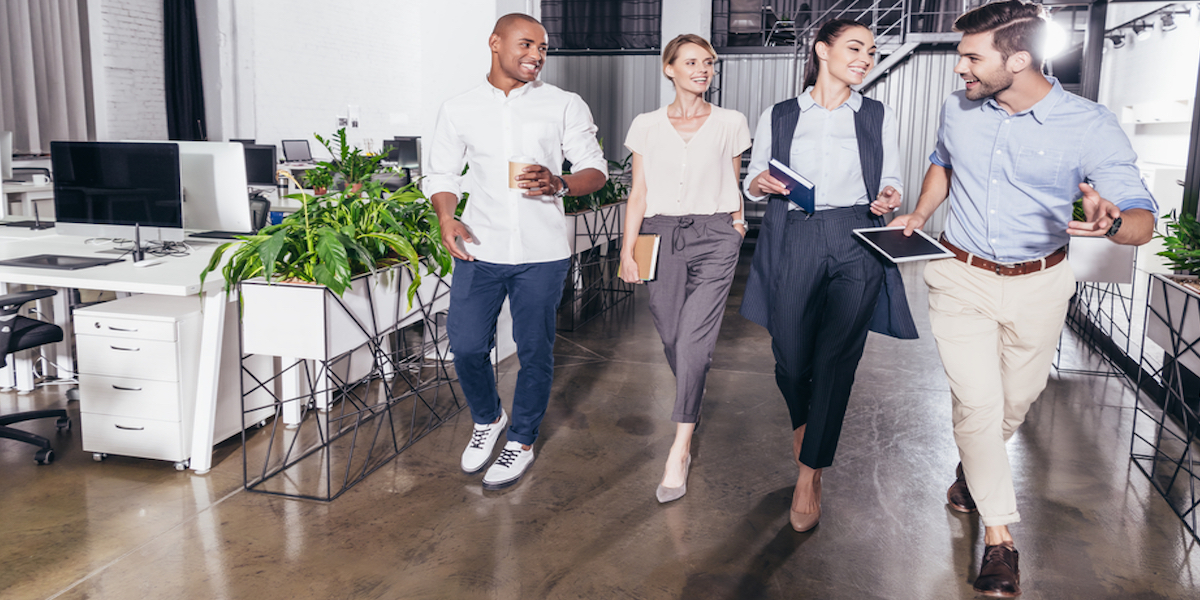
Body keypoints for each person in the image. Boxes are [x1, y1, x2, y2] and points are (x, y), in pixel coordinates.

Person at [888, 1, 1156, 596]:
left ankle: (971, 471)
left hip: (1040, 282)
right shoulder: (959, 106)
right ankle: (1001, 541)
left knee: (1014, 403)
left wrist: (1112, 223)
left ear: (1020, 59)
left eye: (971, 59)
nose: (961, 72)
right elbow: (942, 162)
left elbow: (1142, 220)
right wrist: (923, 211)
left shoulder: (1088, 124)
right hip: (959, 275)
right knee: (978, 406)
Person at [740, 19, 918, 533]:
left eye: (872, 51)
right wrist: (761, 183)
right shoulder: (778, 114)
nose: (866, 57)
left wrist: (889, 196)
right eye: (855, 47)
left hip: (857, 236)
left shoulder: (877, 114)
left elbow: (891, 178)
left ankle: (809, 473)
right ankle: (805, 426)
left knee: (837, 359)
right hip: (795, 233)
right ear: (822, 50)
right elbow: (754, 179)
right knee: (791, 359)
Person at [426, 13, 607, 490]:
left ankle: (522, 441)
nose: (537, 55)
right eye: (527, 44)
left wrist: (560, 181)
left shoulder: (564, 104)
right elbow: (441, 174)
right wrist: (447, 217)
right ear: (494, 43)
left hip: (541, 253)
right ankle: (488, 419)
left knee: (534, 351)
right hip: (479, 248)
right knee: (465, 345)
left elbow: (595, 170)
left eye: (543, 48)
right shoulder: (458, 108)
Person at [619, 34, 752, 504]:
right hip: (658, 234)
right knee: (673, 337)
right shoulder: (647, 125)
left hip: (716, 234)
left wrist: (737, 224)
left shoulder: (731, 122)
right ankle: (693, 378)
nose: (703, 69)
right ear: (669, 68)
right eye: (692, 62)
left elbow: (734, 180)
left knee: (694, 338)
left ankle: (679, 449)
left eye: (709, 63)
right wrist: (626, 250)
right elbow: (637, 192)